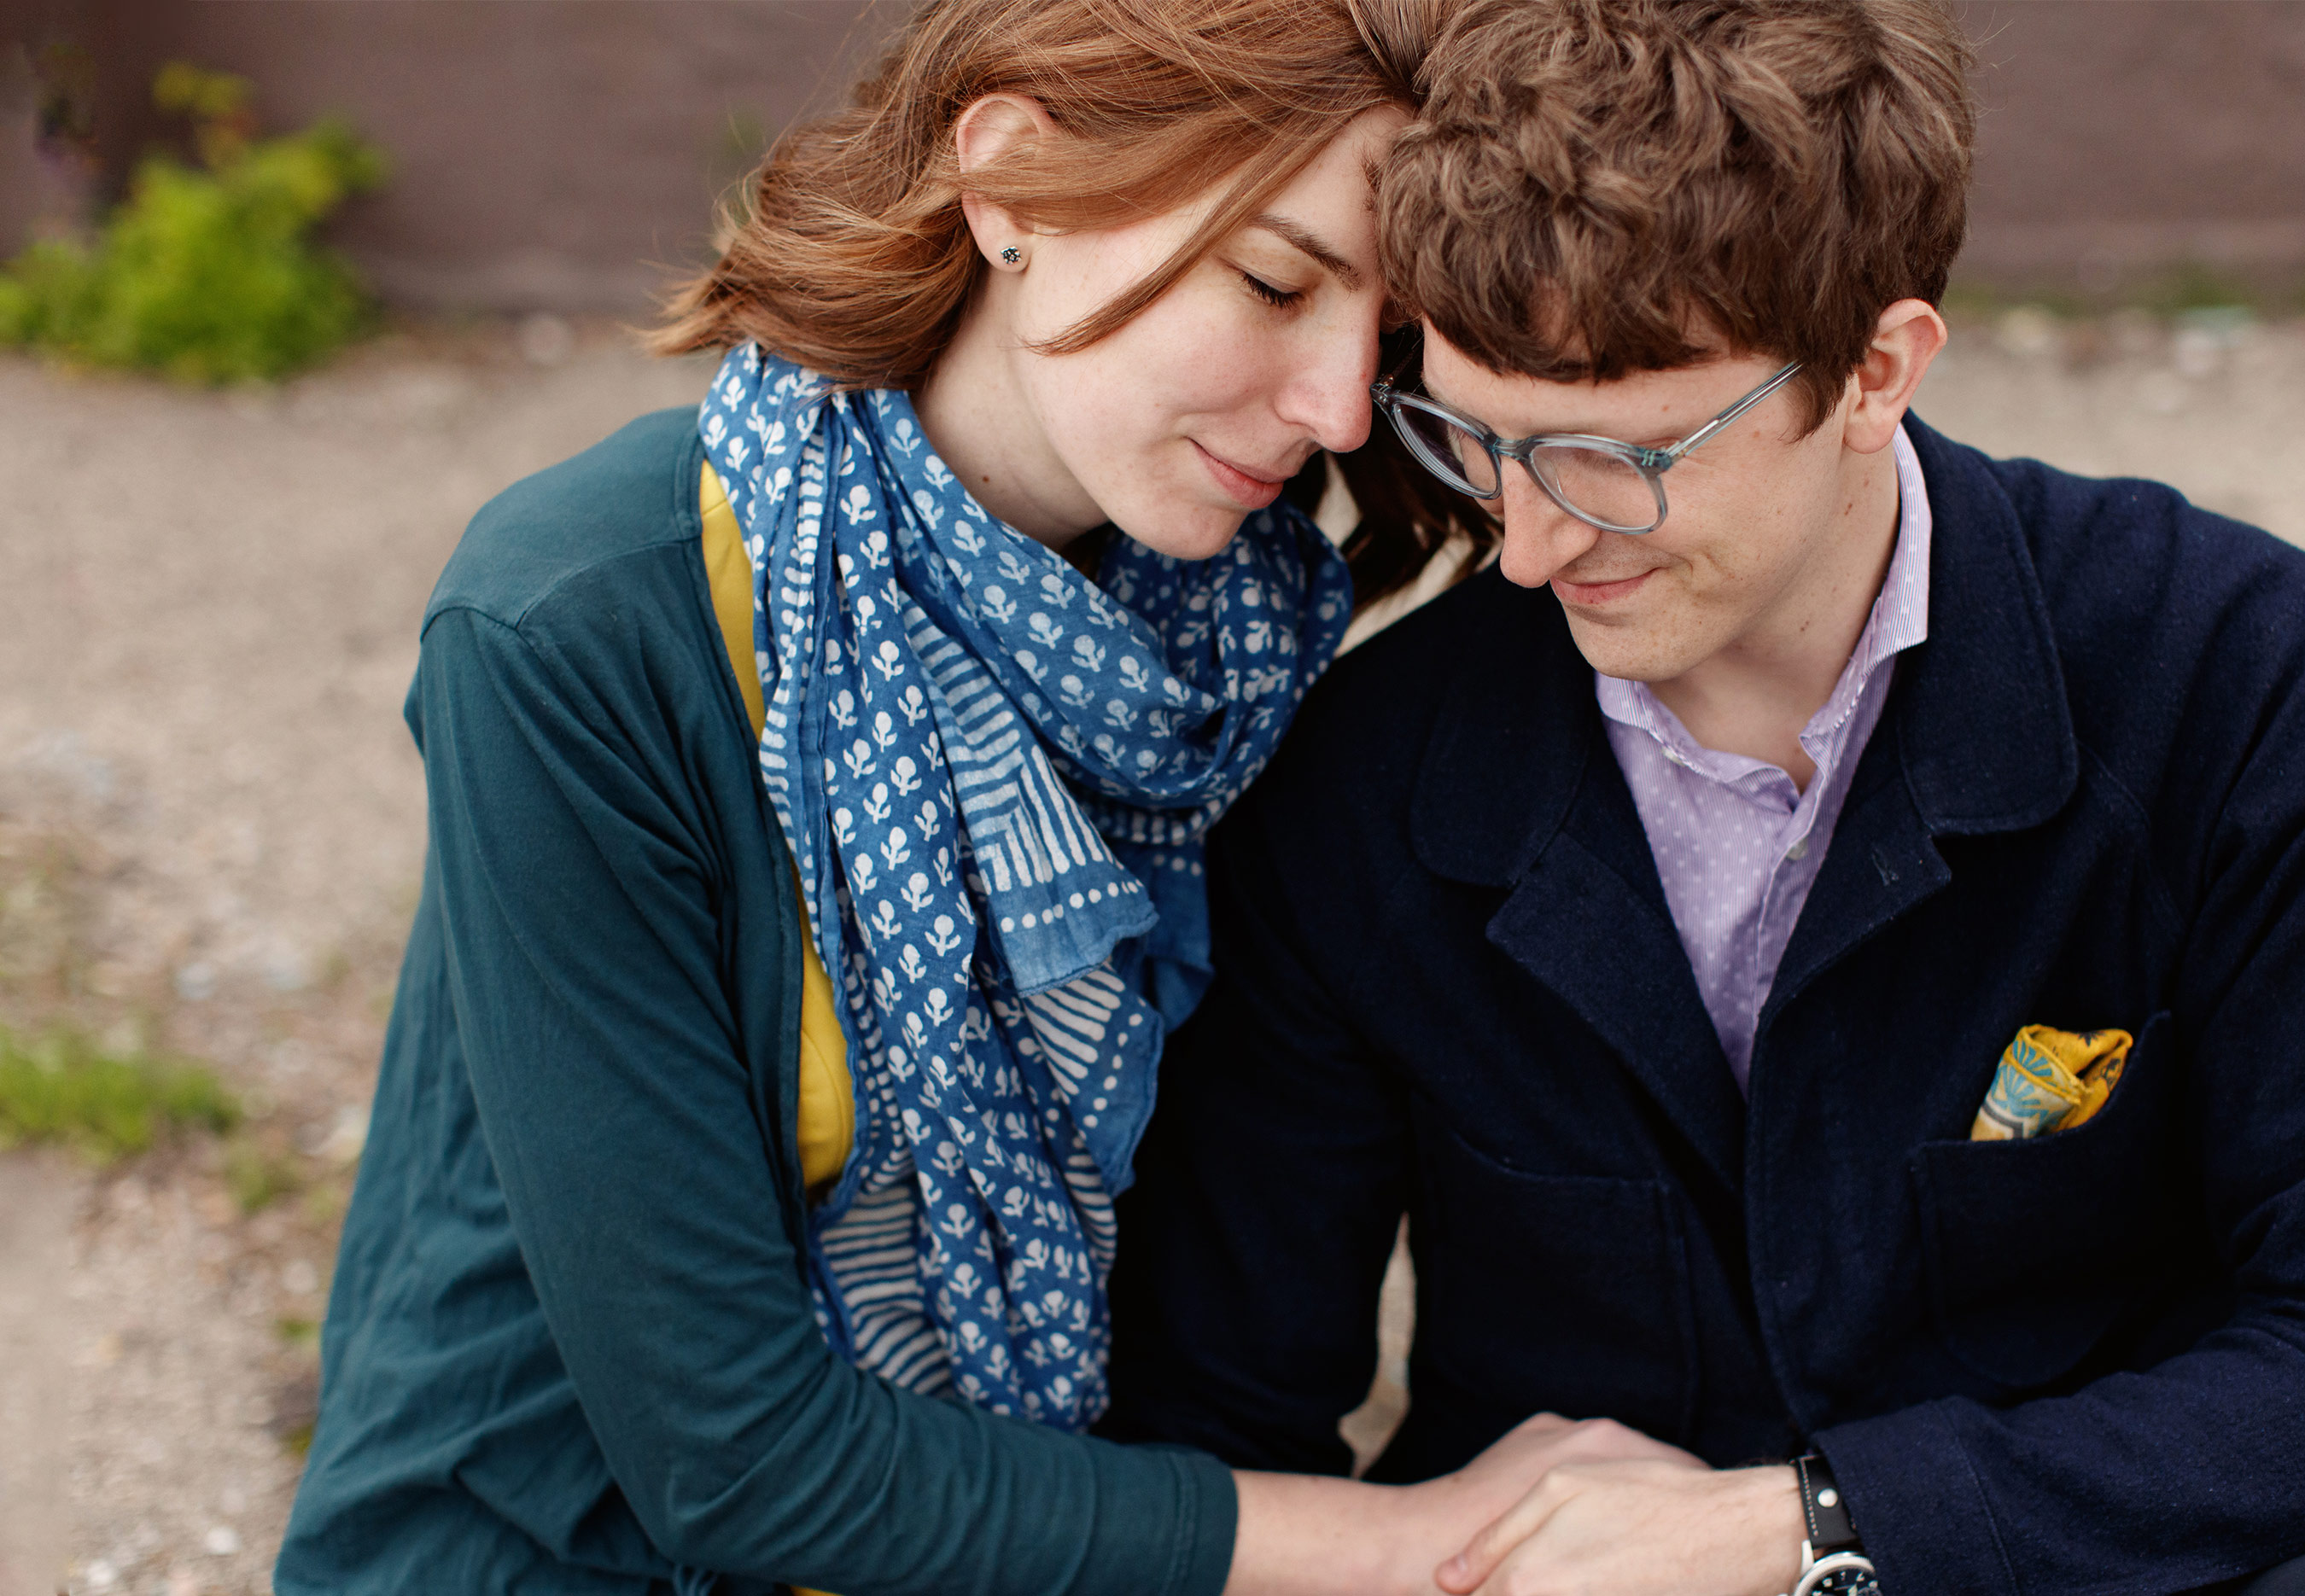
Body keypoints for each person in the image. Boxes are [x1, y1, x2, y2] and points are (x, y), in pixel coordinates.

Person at [1098, 2, 2305, 1593]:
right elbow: (1220, 1423)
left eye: (1617, 458)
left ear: (1876, 370)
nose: (1526, 547)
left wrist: (1812, 1523)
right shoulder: (1364, 777)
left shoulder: (2227, 669)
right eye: (1474, 436)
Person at [272, 2, 1673, 1593]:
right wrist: (1413, 1544)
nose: (1343, 409)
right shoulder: (585, 626)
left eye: (1392, 329)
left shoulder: (1234, 651)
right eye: (1275, 284)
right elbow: (731, 1457)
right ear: (1010, 185)